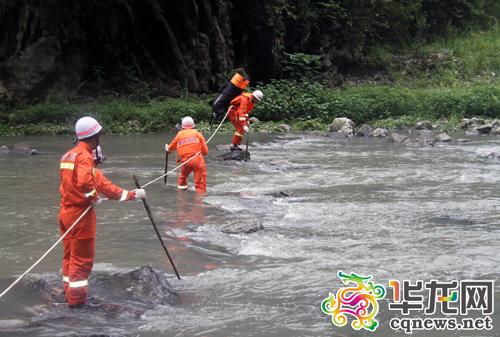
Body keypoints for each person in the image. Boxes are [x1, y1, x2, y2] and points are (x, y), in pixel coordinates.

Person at [59, 116, 146, 308]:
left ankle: (68, 293)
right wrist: (93, 197)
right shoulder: (84, 157)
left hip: (66, 212)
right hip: (80, 216)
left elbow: (99, 186)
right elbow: (88, 184)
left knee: (69, 255)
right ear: (95, 136)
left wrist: (130, 195)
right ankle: (76, 304)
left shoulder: (68, 156)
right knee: (82, 260)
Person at [165, 116, 208, 193]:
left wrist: (167, 148)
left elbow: (170, 148)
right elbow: (205, 152)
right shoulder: (197, 134)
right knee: (199, 184)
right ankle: (200, 201)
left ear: (182, 126)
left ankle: (182, 197)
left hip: (185, 162)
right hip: (197, 160)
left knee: (182, 178)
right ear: (193, 125)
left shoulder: (179, 135)